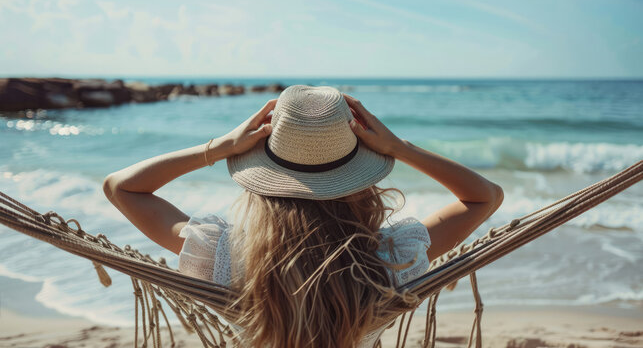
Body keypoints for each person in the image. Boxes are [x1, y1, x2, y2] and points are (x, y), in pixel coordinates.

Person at [103, 85, 503, 348]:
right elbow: (484, 197)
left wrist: (219, 146)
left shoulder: (222, 254)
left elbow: (121, 187)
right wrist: (401, 147)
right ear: (362, 181)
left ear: (264, 179)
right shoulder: (392, 260)